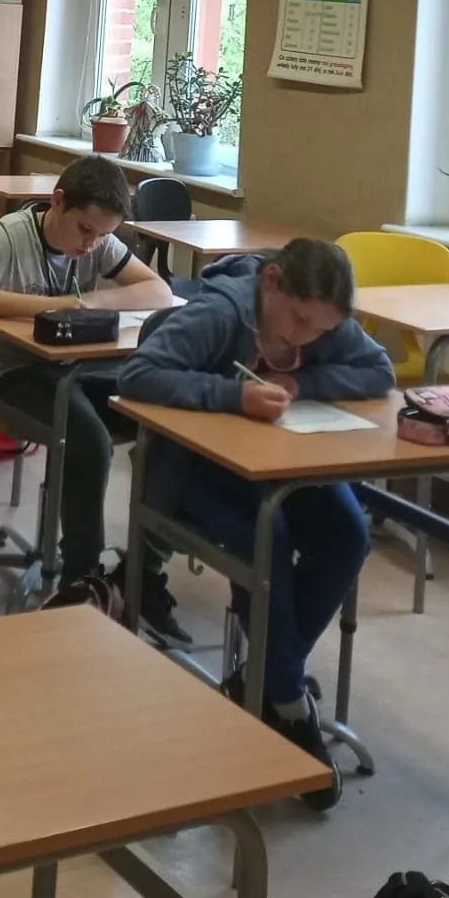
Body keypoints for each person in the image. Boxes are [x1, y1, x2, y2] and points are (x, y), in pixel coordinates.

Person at [117, 238, 393, 809]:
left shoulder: (320, 322)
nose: (305, 337)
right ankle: (287, 701)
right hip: (195, 469)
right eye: (298, 321)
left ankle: (262, 680)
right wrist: (231, 396)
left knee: (348, 535)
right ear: (270, 282)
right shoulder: (222, 313)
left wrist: (304, 384)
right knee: (270, 542)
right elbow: (138, 373)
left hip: (285, 468)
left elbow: (378, 370)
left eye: (320, 330)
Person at [0, 155, 176, 627]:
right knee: (89, 441)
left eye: (102, 236)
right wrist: (52, 305)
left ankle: (142, 572)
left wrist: (91, 301)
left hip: (75, 370)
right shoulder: (12, 235)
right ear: (59, 202)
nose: (91, 245)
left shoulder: (97, 240)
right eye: (85, 230)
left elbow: (158, 292)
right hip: (9, 374)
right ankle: (81, 578)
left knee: (168, 424)